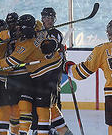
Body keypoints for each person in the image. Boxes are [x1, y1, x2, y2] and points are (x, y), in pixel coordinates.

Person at [39, 7, 73, 135]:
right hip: (39, 71)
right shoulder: (37, 32)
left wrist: (64, 61)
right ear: (42, 19)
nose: (50, 20)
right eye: (47, 18)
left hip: (53, 71)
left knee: (54, 100)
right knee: (39, 101)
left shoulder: (56, 33)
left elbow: (55, 48)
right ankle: (40, 127)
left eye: (52, 18)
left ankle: (54, 128)